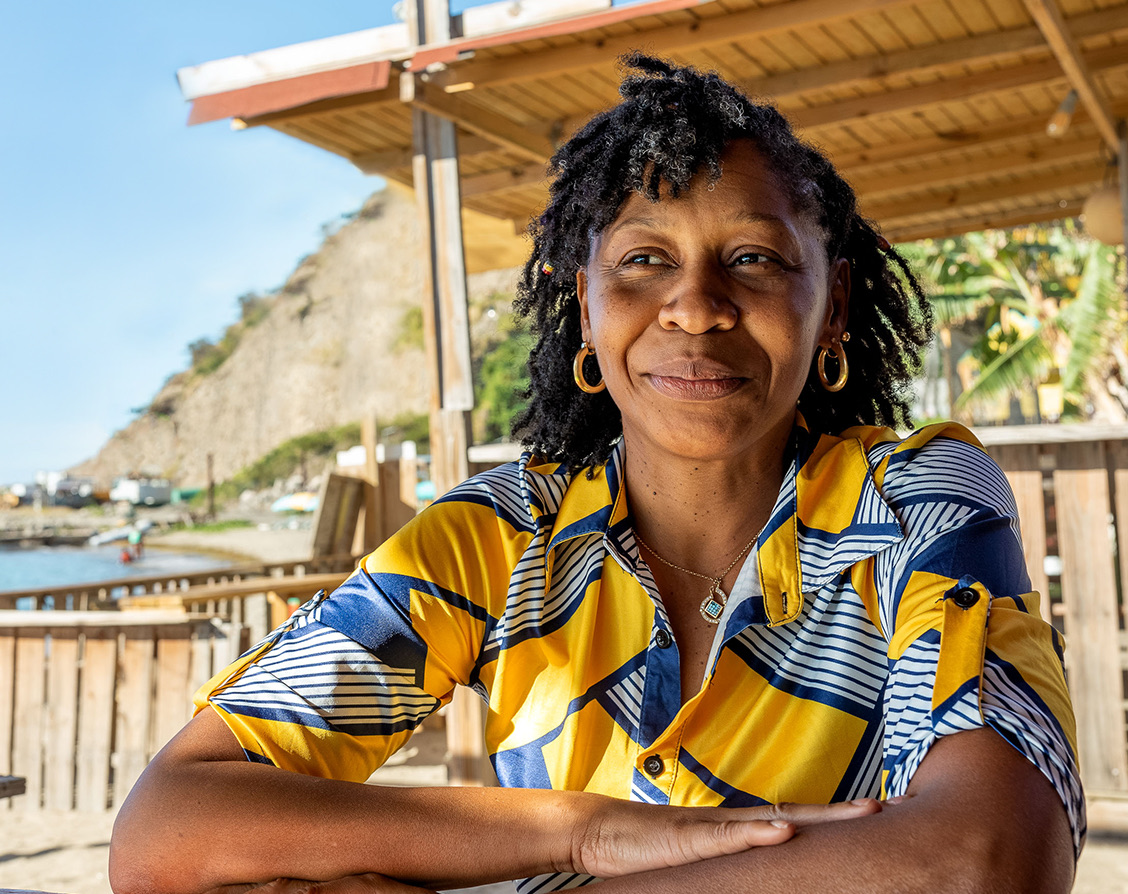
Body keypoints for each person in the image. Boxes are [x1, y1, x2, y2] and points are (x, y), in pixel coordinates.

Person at [109, 55, 1082, 894]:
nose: (695, 307)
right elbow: (169, 831)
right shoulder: (495, 539)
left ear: (833, 311)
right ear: (585, 309)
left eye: (753, 258)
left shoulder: (912, 503)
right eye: (643, 262)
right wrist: (576, 830)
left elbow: (985, 859)